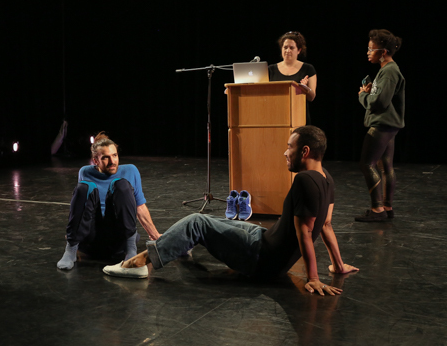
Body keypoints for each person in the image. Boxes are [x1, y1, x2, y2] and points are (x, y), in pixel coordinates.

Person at [104, 126, 358, 296]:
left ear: (304, 151)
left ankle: (137, 263)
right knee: (206, 220)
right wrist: (338, 265)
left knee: (196, 222)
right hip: (264, 240)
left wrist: (312, 277)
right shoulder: (327, 178)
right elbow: (325, 225)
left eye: (289, 147)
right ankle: (176, 243)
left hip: (261, 259)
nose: (285, 152)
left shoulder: (304, 181)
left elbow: (305, 231)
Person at [57, 132, 161, 270]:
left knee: (122, 185)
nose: (112, 162)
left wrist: (155, 236)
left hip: (119, 239)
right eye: (105, 158)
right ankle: (70, 251)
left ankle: (131, 251)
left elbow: (140, 207)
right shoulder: (85, 172)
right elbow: (81, 208)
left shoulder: (131, 170)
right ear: (95, 160)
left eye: (114, 155)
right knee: (84, 188)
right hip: (91, 240)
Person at [355, 29, 405, 222]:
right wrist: (371, 92)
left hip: (383, 124)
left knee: (367, 163)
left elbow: (379, 103)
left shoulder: (390, 71)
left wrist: (363, 95)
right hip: (388, 124)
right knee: (386, 166)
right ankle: (387, 207)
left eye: (371, 49)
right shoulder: (386, 70)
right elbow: (382, 97)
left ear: (383, 52)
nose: (368, 52)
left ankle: (378, 209)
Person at [269, 31, 317, 125]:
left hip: (298, 118)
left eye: (291, 48)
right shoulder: (270, 69)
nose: (287, 51)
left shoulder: (308, 69)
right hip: (275, 116)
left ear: (299, 50)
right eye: (285, 47)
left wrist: (304, 88)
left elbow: (312, 97)